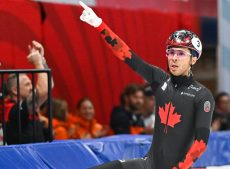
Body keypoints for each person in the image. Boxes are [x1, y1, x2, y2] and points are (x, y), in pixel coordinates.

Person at [79, 1, 214, 169]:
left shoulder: (202, 95)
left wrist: (180, 168)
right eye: (171, 52)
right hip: (147, 165)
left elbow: (201, 142)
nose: (174, 58)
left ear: (194, 58)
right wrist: (99, 24)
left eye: (180, 53)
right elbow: (127, 55)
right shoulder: (160, 79)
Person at [5, 41, 53, 145]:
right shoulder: (13, 110)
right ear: (15, 90)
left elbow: (49, 86)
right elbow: (44, 90)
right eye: (27, 84)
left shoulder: (30, 107)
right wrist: (37, 63)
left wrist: (42, 60)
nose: (32, 87)